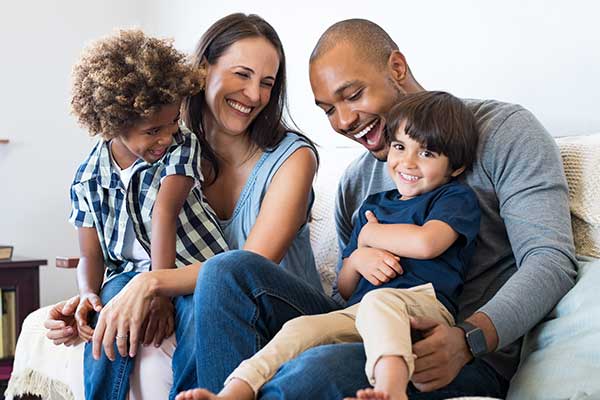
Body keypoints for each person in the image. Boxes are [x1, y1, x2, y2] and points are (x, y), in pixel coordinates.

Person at [188, 18, 578, 399]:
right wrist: (358, 258)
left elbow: (550, 259)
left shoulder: (503, 131)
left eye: (353, 95)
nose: (343, 121)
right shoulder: (357, 181)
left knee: (312, 370)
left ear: (397, 67)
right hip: (364, 326)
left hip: (453, 350)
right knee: (227, 271)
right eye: (327, 110)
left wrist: (468, 340)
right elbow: (347, 294)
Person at [42, 13, 322, 399]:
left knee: (215, 285)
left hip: (280, 309)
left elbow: (243, 270)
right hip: (199, 294)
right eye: (242, 74)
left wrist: (151, 284)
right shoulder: (165, 148)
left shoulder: (291, 158)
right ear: (203, 70)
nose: (255, 95)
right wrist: (95, 298)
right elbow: (122, 241)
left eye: (267, 84)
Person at [177, 90, 481, 400]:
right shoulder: (373, 206)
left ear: (454, 168)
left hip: (421, 307)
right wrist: (357, 260)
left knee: (380, 303)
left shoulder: (452, 198)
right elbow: (346, 287)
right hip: (360, 311)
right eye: (400, 147)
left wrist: (368, 237)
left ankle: (391, 390)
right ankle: (232, 392)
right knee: (300, 329)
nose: (408, 162)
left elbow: (427, 243)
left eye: (427, 154)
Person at [67, 29, 228, 400]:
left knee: (198, 315)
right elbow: (91, 254)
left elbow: (164, 215)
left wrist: (160, 294)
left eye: (172, 123)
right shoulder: (88, 178)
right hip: (128, 275)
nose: (167, 137)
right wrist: (87, 294)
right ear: (112, 125)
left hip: (192, 267)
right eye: (153, 130)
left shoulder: (181, 145)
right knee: (107, 315)